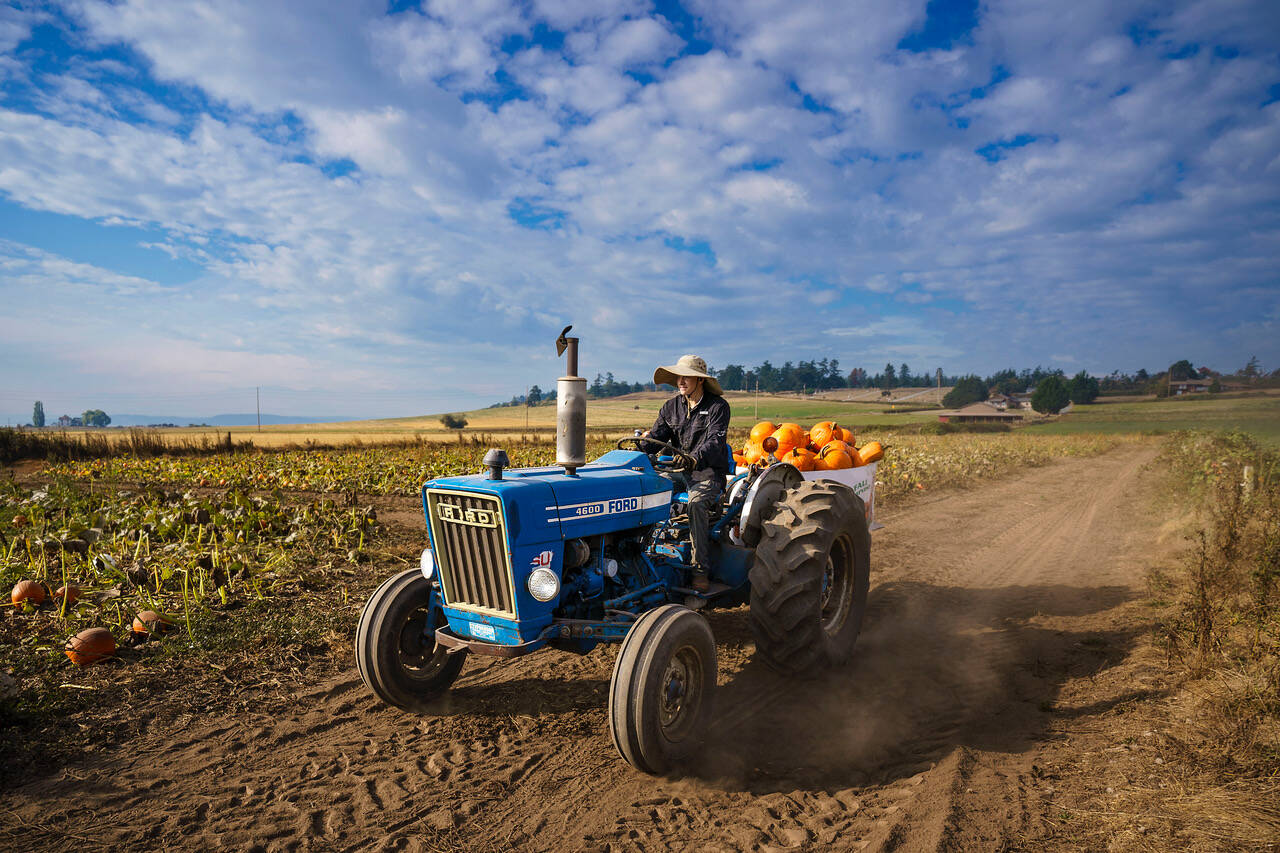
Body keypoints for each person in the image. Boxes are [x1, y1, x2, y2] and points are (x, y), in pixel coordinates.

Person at [644, 354, 731, 592]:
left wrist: (694, 458)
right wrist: (639, 450)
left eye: (687, 377)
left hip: (706, 473)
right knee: (646, 491)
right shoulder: (671, 407)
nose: (681, 381)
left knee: (696, 503)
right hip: (677, 472)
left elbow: (714, 442)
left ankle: (700, 569)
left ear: (700, 380)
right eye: (679, 376)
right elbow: (655, 438)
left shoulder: (718, 407)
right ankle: (644, 555)